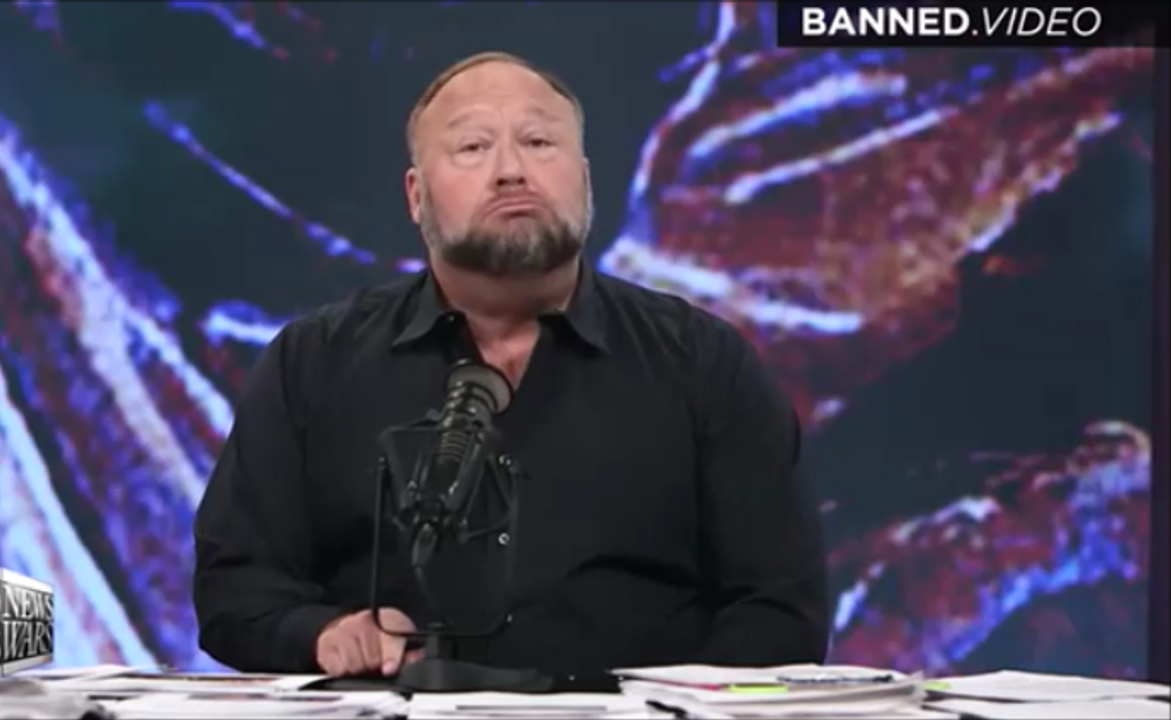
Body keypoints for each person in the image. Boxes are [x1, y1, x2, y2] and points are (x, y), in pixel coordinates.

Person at [193, 51, 830, 678]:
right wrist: (322, 634)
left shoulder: (702, 362)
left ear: (586, 181)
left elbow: (780, 606)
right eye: (473, 147)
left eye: (538, 142)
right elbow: (235, 588)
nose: (510, 171)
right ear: (416, 197)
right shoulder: (315, 362)